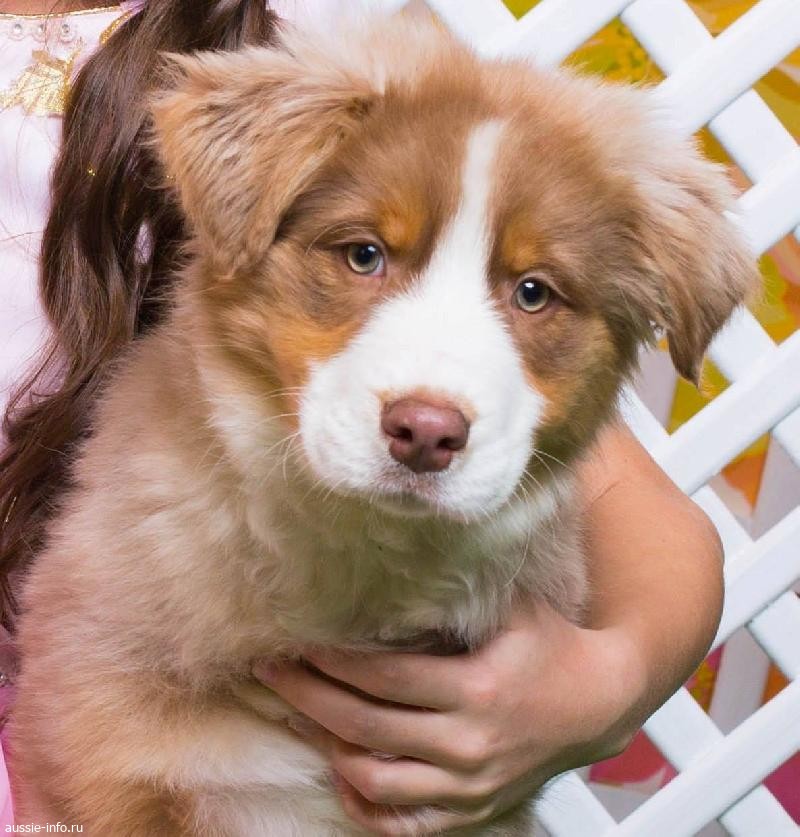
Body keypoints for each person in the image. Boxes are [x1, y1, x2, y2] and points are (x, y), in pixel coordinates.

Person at [0, 1, 724, 833]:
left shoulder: (326, 29)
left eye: (533, 292)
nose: (430, 402)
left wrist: (601, 686)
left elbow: (656, 531)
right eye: (364, 254)